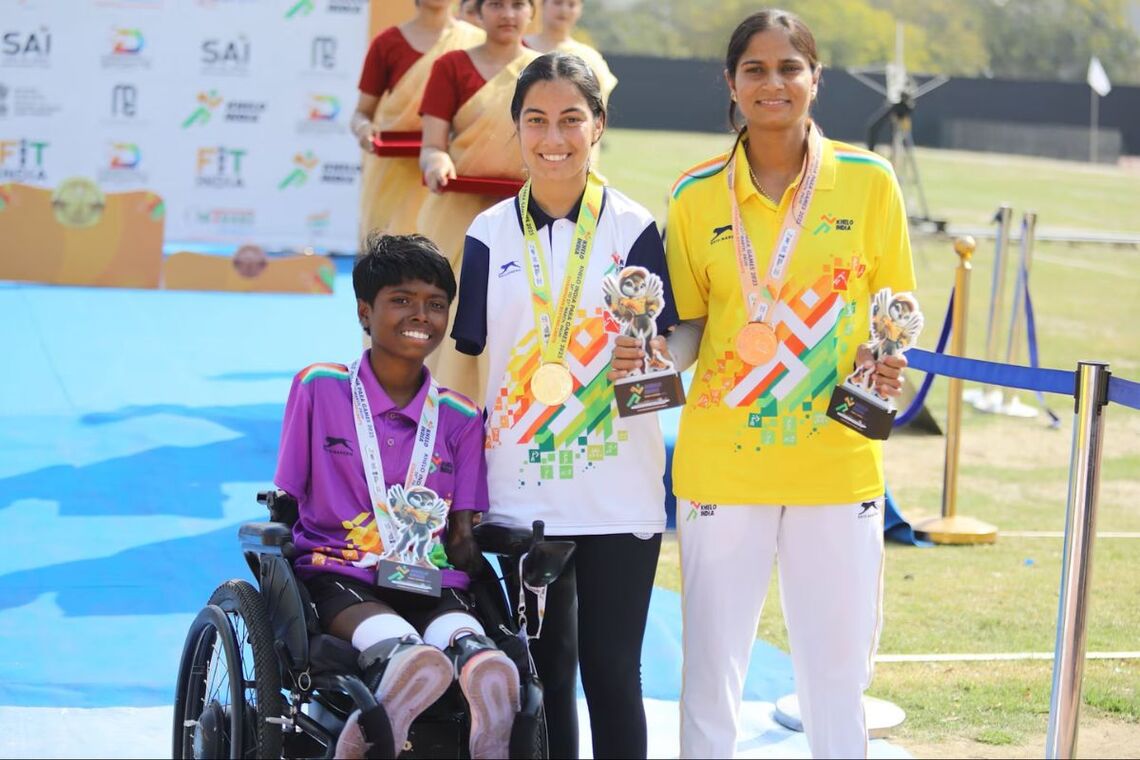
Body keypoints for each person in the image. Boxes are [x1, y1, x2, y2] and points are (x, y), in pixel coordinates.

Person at [610, 9, 915, 759]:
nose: (773, 83)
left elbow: (894, 314)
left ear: (815, 79)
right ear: (731, 83)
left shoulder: (872, 183)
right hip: (724, 467)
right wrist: (645, 361)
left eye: (789, 68)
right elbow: (686, 327)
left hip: (838, 463)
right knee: (711, 676)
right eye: (756, 69)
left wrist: (888, 363)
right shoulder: (695, 195)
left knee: (836, 682)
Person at [452, 52, 676, 760]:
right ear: (516, 130)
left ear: (599, 125)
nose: (555, 137)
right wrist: (459, 487)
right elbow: (465, 366)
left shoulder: (635, 229)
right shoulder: (487, 234)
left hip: (619, 490)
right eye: (536, 120)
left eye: (571, 119)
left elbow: (661, 355)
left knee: (613, 674)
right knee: (540, 680)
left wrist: (654, 363)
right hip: (522, 494)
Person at [274, 233, 520, 760]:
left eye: (436, 304)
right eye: (402, 300)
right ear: (365, 311)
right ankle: (406, 679)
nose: (421, 315)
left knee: (465, 635)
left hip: (429, 575)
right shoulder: (319, 387)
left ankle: (478, 673)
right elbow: (287, 498)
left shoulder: (460, 416)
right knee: (396, 636)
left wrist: (489, 564)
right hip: (343, 569)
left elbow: (460, 533)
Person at [416, 0, 540, 402]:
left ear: (532, 12)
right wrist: (437, 162)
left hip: (530, 214)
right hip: (457, 212)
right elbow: (432, 145)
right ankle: (440, 405)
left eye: (518, 4)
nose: (508, 13)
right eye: (496, 5)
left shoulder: (547, 71)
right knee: (446, 303)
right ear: (477, 11)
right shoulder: (450, 67)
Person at [351, 0, 483, 240]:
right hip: (393, 175)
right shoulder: (387, 44)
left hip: (453, 178)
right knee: (391, 261)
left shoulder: (477, 43)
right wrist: (364, 129)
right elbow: (361, 113)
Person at [524, 0, 617, 103]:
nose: (564, 10)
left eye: (571, 4)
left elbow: (597, 107)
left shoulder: (590, 58)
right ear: (542, 5)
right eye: (557, 2)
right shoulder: (519, 47)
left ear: (580, 9)